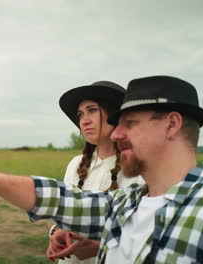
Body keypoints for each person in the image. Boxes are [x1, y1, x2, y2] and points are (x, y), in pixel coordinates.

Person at [0, 75, 203, 263]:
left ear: (172, 124)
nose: (117, 132)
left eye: (129, 123)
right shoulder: (125, 205)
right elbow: (61, 200)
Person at [48, 81, 144, 263]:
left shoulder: (138, 172)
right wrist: (56, 233)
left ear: (116, 114)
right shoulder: (76, 164)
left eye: (92, 110)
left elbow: (145, 237)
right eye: (80, 114)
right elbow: (61, 216)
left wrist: (99, 248)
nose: (84, 120)